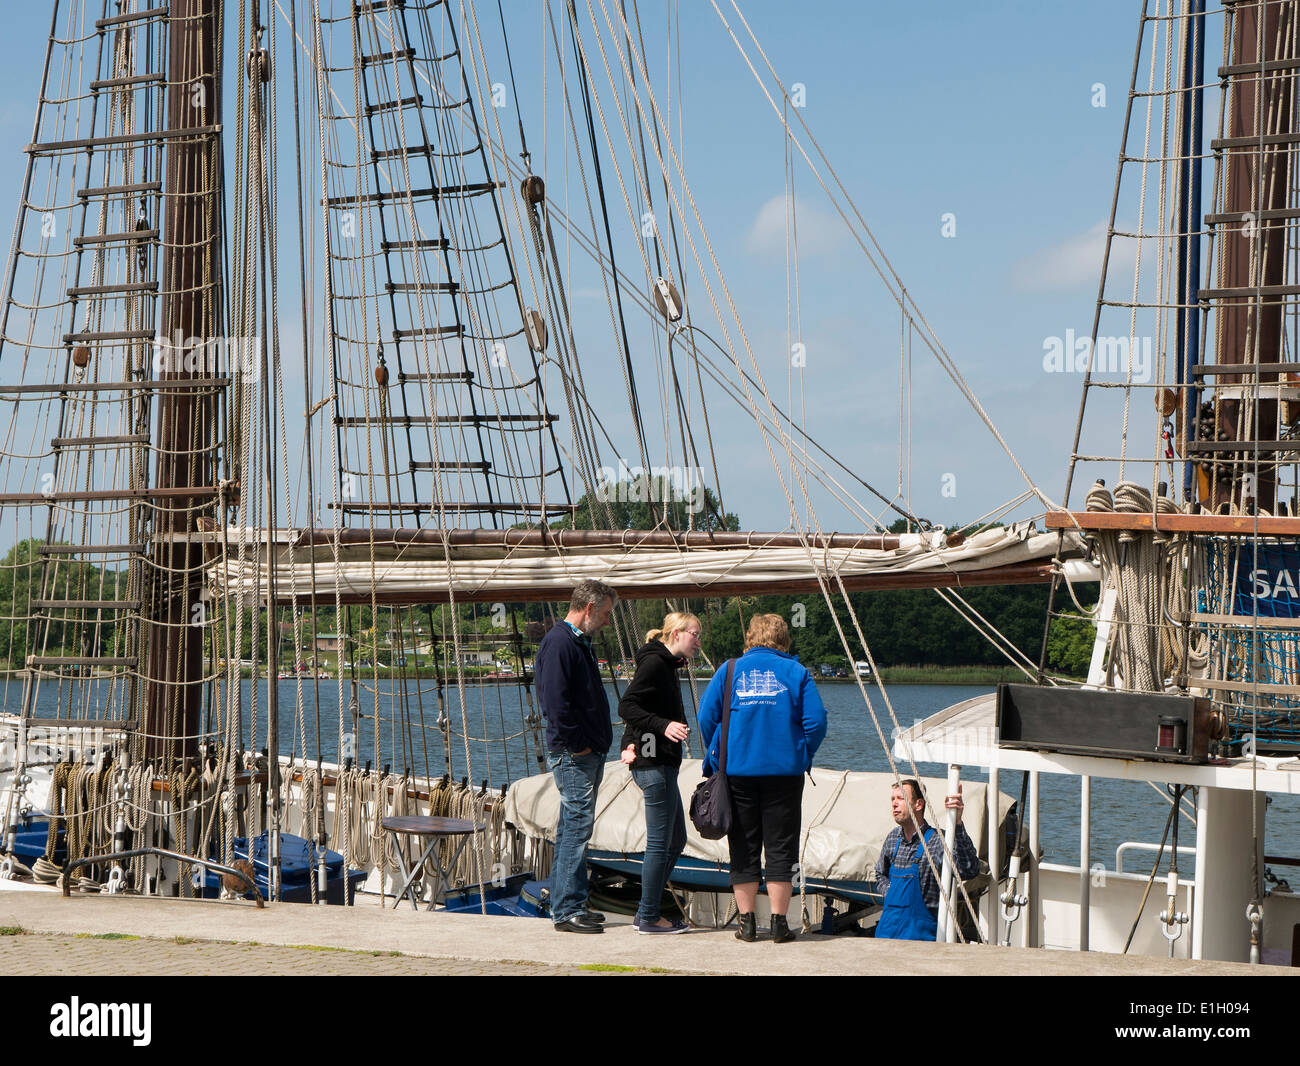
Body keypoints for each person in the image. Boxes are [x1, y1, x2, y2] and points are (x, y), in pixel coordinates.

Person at [696, 613, 827, 944]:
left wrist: (718, 752)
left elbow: (705, 717)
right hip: (784, 775)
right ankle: (780, 924)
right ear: (784, 638)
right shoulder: (797, 673)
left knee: (743, 846)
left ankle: (747, 923)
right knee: (782, 849)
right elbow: (816, 722)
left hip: (738, 773)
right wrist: (801, 753)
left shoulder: (729, 671)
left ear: (751, 637)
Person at [534, 579, 617, 933]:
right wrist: (579, 744)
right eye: (606, 614)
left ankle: (573, 901)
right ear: (589, 608)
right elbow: (556, 704)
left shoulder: (577, 643)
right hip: (575, 756)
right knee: (576, 830)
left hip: (586, 753)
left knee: (574, 827)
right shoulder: (560, 644)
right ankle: (566, 910)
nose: (608, 622)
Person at [617, 611, 702, 934]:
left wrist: (629, 741)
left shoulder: (667, 666)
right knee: (659, 843)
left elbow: (640, 710)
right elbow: (627, 706)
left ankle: (647, 908)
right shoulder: (655, 664)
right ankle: (649, 915)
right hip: (653, 765)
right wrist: (664, 726)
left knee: (676, 839)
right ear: (677, 633)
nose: (698, 642)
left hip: (662, 762)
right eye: (694, 634)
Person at [873, 778, 980, 941]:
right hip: (886, 933)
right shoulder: (892, 838)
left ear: (918, 804)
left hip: (920, 937)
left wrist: (957, 823)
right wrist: (891, 893)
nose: (894, 804)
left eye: (900, 798)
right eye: (892, 799)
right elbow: (880, 873)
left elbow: (969, 870)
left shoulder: (938, 841)